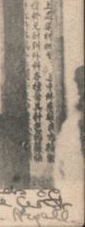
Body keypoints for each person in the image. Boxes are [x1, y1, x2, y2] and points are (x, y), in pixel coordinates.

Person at [55, 65, 84, 201]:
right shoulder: (73, 120)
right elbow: (61, 162)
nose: (80, 91)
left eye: (81, 85)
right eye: (79, 85)